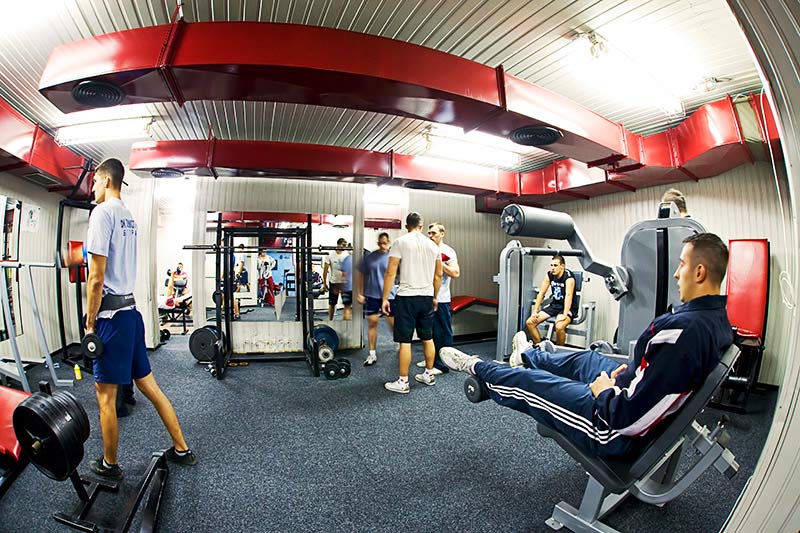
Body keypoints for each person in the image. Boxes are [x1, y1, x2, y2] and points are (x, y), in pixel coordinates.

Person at [441, 233, 733, 458]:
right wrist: (632, 372)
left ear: (699, 272)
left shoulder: (685, 333)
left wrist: (605, 393)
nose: (676, 273)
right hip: (626, 394)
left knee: (535, 384)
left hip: (609, 425)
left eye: (682, 265)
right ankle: (528, 355)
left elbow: (631, 420)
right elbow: (661, 376)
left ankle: (477, 367)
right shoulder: (714, 319)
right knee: (587, 359)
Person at [85, 158, 197, 479]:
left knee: (105, 398)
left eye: (95, 182)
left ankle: (109, 465)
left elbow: (96, 278)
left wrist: (90, 323)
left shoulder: (102, 213)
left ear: (107, 180)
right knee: (149, 386)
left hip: (112, 318)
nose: (92, 189)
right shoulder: (128, 217)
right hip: (132, 316)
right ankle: (181, 449)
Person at [382, 212, 442, 394]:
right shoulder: (433, 246)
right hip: (426, 297)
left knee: (405, 341)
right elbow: (438, 275)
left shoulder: (400, 242)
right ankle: (429, 374)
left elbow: (391, 272)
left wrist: (385, 298)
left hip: (406, 297)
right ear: (421, 226)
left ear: (406, 226)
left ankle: (403, 381)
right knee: (428, 337)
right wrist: (434, 296)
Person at [416, 223, 459, 375]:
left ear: (442, 233)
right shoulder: (426, 250)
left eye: (433, 233)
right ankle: (431, 359)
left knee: (442, 332)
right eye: (429, 233)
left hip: (441, 299)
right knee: (428, 331)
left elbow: (455, 273)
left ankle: (442, 365)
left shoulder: (448, 251)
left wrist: (439, 262)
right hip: (425, 296)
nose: (430, 236)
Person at [356, 232, 396, 366]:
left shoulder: (393, 257)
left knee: (393, 325)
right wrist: (360, 293)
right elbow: (361, 274)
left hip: (389, 296)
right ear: (378, 243)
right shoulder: (370, 257)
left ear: (388, 242)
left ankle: (400, 345)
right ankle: (372, 353)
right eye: (380, 243)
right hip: (372, 295)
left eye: (385, 243)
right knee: (372, 323)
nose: (383, 245)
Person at [525, 254, 578, 346]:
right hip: (555, 306)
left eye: (555, 265)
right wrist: (535, 312)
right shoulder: (549, 275)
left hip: (568, 307)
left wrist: (564, 314)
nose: (552, 268)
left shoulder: (568, 277)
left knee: (559, 326)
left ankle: (559, 351)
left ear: (562, 266)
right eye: (551, 265)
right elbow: (541, 294)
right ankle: (540, 347)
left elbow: (569, 295)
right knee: (530, 323)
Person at [322, 238, 351, 320]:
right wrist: (324, 283)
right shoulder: (330, 256)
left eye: (345, 245)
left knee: (346, 304)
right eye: (343, 245)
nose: (344, 247)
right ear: (338, 244)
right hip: (334, 282)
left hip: (344, 283)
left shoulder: (347, 256)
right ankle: (330, 320)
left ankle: (345, 322)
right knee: (332, 303)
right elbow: (325, 271)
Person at [340, 250, 353, 321]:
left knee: (347, 308)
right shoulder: (362, 260)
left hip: (347, 287)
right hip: (358, 288)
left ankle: (347, 326)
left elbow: (343, 275)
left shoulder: (347, 259)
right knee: (359, 310)